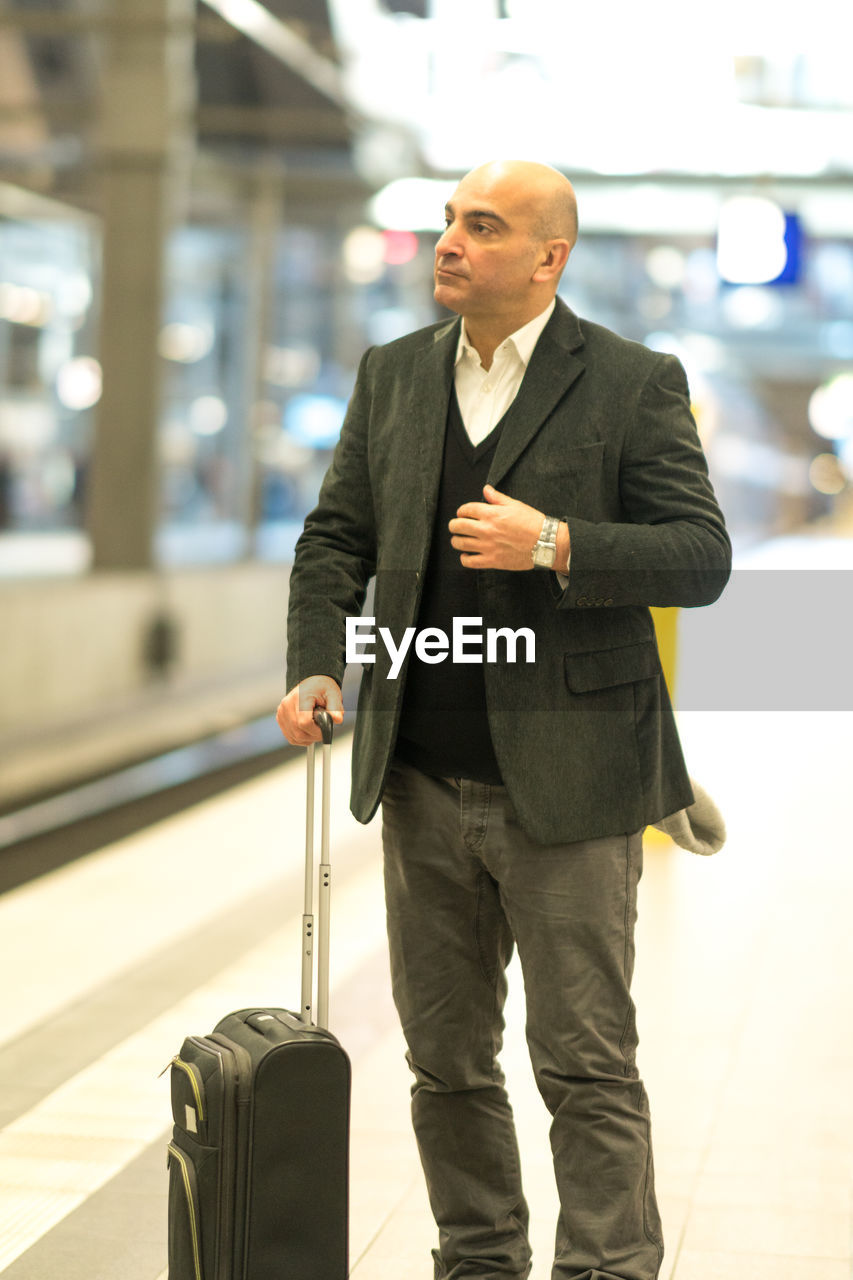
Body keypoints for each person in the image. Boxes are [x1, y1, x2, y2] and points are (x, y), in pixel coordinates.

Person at [276, 160, 731, 1280]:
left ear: (548, 257)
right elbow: (335, 534)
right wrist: (314, 664)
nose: (450, 242)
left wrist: (558, 541)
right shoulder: (392, 377)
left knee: (583, 1061)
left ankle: (607, 1266)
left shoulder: (631, 381)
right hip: (420, 774)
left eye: (481, 226)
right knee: (445, 1059)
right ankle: (478, 1258)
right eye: (448, 222)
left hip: (570, 788)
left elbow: (701, 555)